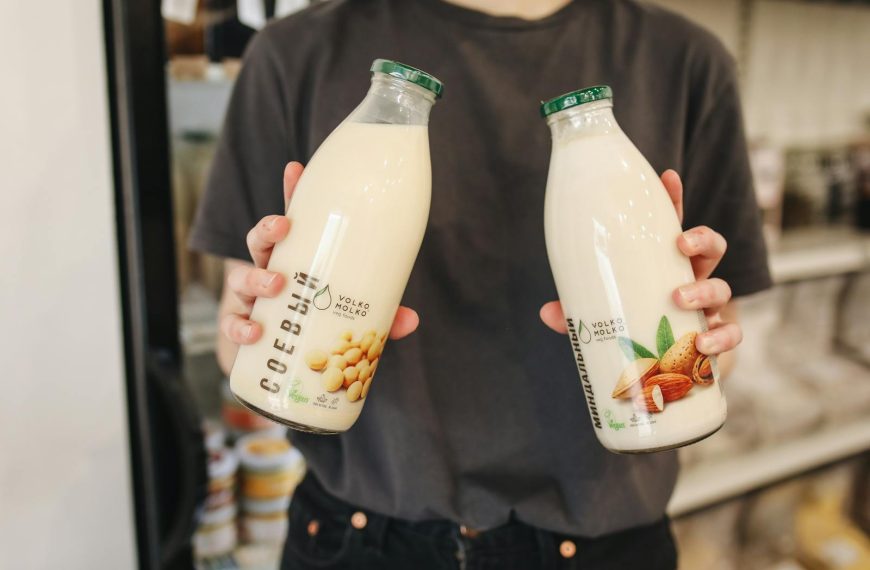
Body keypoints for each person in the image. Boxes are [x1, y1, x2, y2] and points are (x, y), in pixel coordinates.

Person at [190, 0, 772, 567]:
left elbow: (720, 349)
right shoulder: (297, 51)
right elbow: (235, 343)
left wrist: (698, 336)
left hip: (604, 539)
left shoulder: (685, 60)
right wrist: (255, 323)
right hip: (359, 538)